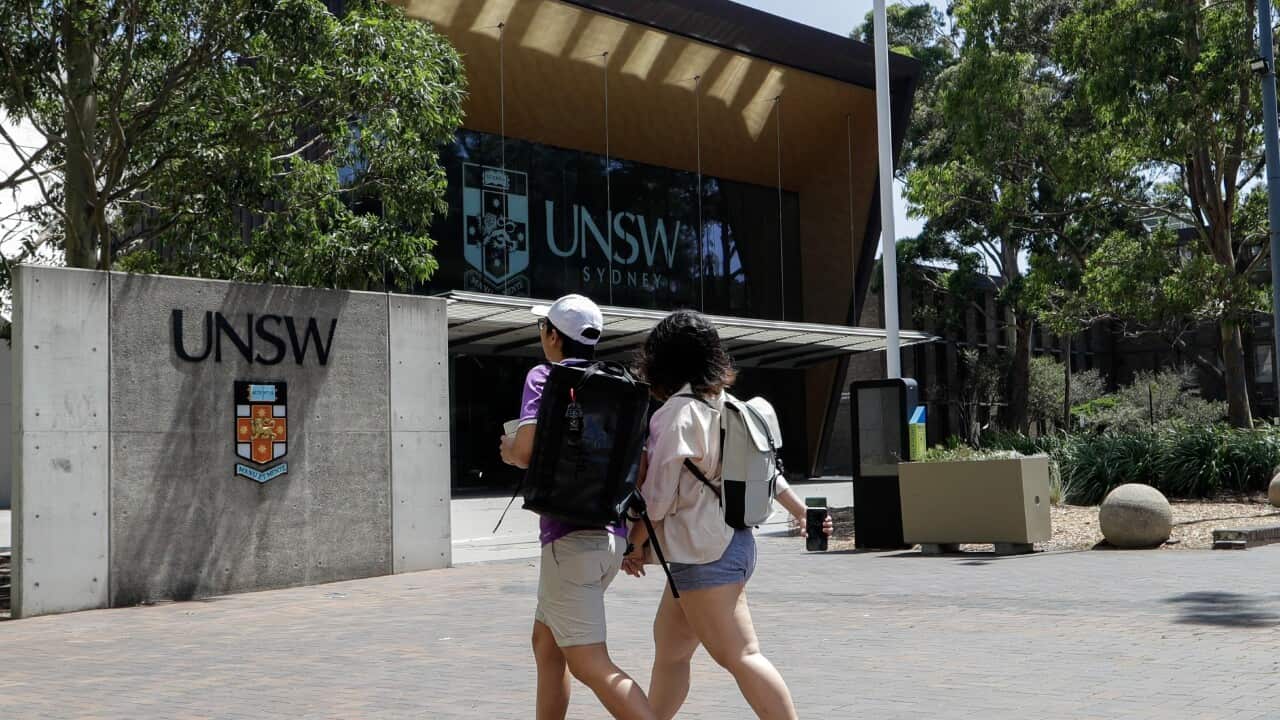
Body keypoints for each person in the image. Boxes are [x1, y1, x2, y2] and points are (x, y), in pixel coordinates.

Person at [621, 309, 831, 720]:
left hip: (703, 554)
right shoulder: (732, 406)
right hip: (731, 545)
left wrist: (634, 543)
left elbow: (657, 497)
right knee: (671, 651)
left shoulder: (676, 415)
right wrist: (802, 511)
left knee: (741, 655)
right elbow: (768, 475)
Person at [499, 294, 656, 720]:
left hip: (568, 544)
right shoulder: (616, 388)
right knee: (546, 645)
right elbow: (639, 468)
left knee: (591, 664)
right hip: (608, 539)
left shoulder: (544, 376)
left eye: (542, 329)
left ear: (552, 335)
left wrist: (508, 449)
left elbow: (527, 451)